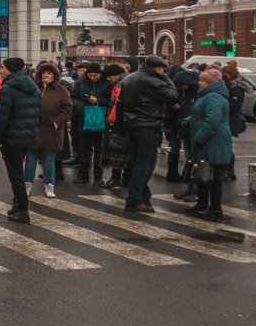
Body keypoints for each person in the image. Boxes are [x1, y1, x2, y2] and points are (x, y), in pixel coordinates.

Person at [117, 55, 177, 214]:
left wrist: (120, 125)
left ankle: (144, 197)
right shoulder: (154, 81)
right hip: (148, 126)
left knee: (137, 162)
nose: (162, 71)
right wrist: (166, 78)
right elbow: (172, 96)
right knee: (145, 164)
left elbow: (120, 103)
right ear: (156, 68)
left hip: (131, 125)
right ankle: (134, 200)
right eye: (161, 69)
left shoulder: (129, 79)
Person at [0, 58, 40, 223]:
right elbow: (37, 112)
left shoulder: (8, 88)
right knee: (18, 172)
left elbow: (2, 118)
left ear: (11, 69)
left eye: (3, 68)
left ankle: (23, 210)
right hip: (28, 135)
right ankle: (17, 204)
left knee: (16, 175)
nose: (0, 71)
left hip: (12, 138)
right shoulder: (32, 86)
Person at [188, 67, 231, 221]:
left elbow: (213, 120)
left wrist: (199, 137)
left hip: (213, 140)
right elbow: (202, 116)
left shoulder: (213, 97)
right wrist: (188, 121)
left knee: (214, 175)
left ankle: (215, 208)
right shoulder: (208, 96)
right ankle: (202, 203)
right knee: (203, 172)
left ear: (210, 83)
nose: (199, 83)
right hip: (208, 140)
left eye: (202, 80)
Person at [25, 62, 71, 199]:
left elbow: (67, 108)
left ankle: (49, 185)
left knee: (49, 160)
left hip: (51, 130)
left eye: (49, 73)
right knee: (31, 159)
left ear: (54, 75)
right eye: (44, 73)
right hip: (34, 129)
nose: (46, 75)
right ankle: (27, 185)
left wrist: (57, 122)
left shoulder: (61, 90)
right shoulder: (34, 88)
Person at [71, 63, 111, 185]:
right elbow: (73, 97)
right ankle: (83, 174)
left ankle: (98, 176)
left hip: (99, 118)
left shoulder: (106, 84)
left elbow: (110, 101)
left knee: (98, 148)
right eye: (90, 75)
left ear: (100, 74)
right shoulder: (81, 83)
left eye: (95, 75)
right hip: (83, 118)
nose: (92, 78)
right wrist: (79, 107)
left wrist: (98, 100)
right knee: (84, 148)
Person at [221, 65, 246, 181]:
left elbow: (235, 104)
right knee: (226, 145)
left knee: (227, 146)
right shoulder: (229, 85)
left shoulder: (237, 87)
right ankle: (228, 171)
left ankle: (229, 171)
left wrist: (222, 108)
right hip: (228, 119)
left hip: (232, 120)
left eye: (225, 73)